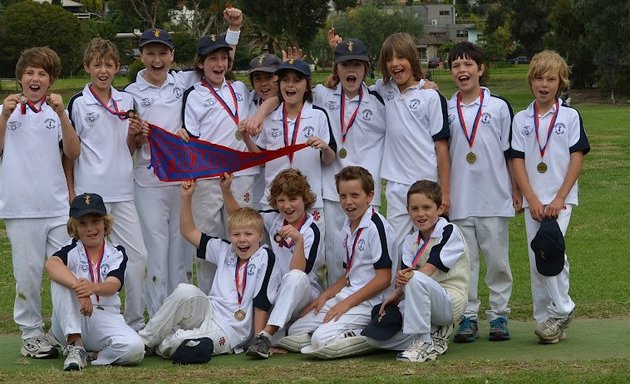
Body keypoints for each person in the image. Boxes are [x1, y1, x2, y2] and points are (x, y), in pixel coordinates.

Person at [123, 8, 243, 317]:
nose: (157, 60)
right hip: (149, 182)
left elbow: (220, 58)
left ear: (173, 55)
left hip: (183, 182)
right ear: (142, 56)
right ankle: (156, 316)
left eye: (163, 53)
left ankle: (181, 315)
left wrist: (233, 28)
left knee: (181, 251)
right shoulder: (131, 93)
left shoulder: (183, 81)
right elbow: (130, 142)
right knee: (155, 251)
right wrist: (139, 135)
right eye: (150, 53)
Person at [138, 180, 280, 358]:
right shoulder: (224, 249)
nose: (242, 240)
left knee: (179, 343)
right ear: (229, 235)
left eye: (248, 234)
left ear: (260, 236)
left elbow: (262, 302)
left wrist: (259, 340)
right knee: (185, 290)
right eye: (236, 234)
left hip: (232, 330)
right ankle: (142, 342)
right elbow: (188, 231)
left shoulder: (265, 257)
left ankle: (165, 342)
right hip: (209, 310)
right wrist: (186, 197)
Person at [0, 47, 80, 359]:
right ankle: (31, 333)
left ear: (51, 80)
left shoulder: (56, 112)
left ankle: (63, 331)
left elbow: (73, 153)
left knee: (63, 270)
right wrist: (5, 116)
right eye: (30, 73)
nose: (35, 78)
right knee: (28, 274)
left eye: (42, 74)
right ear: (20, 78)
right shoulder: (4, 111)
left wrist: (62, 114)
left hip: (57, 206)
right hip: (20, 207)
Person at [66, 38, 148, 331]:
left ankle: (136, 323)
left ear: (117, 68)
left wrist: (136, 136)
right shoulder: (77, 102)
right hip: (91, 195)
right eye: (97, 65)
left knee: (138, 257)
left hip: (124, 191)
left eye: (109, 65)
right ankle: (90, 323)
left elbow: (128, 147)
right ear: (87, 67)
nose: (103, 71)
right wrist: (71, 191)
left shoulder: (127, 100)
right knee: (88, 260)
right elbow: (69, 151)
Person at [510, 50, 589, 344]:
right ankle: (545, 319)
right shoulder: (521, 119)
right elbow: (517, 160)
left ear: (561, 82)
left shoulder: (569, 116)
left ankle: (562, 309)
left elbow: (577, 157)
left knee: (550, 250)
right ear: (531, 80)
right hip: (535, 201)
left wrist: (559, 197)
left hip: (560, 199)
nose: (544, 84)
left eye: (551, 79)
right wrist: (530, 197)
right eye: (539, 78)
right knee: (537, 257)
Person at [277, 166, 396, 359]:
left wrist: (345, 304)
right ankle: (331, 333)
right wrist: (323, 297)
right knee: (296, 330)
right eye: (343, 196)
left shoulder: (376, 226)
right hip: (350, 294)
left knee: (320, 339)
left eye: (355, 195)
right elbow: (349, 275)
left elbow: (383, 279)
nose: (348, 202)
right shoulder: (347, 227)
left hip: (372, 301)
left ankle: (371, 335)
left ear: (370, 196)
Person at [446, 42, 519, 343]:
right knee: (466, 263)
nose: (462, 71)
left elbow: (511, 152)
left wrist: (516, 191)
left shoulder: (498, 106)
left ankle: (499, 314)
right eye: (456, 66)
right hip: (460, 199)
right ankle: (468, 316)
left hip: (494, 197)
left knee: (498, 260)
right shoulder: (445, 107)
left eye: (468, 65)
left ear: (481, 69)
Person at [220, 169, 323, 359]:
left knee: (294, 277)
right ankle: (263, 336)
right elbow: (241, 217)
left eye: (293, 199)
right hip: (277, 293)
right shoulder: (273, 219)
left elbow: (299, 272)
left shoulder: (311, 231)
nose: (287, 206)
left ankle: (265, 336)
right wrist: (226, 190)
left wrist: (299, 241)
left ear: (305, 199)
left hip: (303, 296)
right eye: (281, 200)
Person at [180, 30, 254, 294]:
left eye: (223, 58)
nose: (219, 65)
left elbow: (271, 98)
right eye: (212, 59)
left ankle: (240, 298)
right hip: (209, 180)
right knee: (208, 245)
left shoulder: (241, 89)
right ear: (201, 63)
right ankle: (209, 302)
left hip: (240, 176)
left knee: (244, 238)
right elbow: (193, 139)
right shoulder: (194, 95)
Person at [364, 180, 469, 363]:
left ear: (440, 208)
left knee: (414, 278)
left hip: (450, 301)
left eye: (427, 207)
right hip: (421, 296)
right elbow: (407, 279)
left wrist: (404, 282)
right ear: (408, 210)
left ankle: (424, 342)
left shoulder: (449, 231)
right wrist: (394, 296)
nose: (420, 214)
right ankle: (435, 335)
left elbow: (427, 270)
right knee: (375, 341)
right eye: (414, 209)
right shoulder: (410, 240)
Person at [316, 33, 387, 288]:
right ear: (336, 68)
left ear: (366, 68)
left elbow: (406, 92)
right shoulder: (323, 95)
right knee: (333, 255)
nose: (351, 70)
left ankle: (364, 305)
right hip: (332, 190)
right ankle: (332, 306)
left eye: (357, 64)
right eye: (345, 65)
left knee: (366, 255)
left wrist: (425, 84)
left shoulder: (380, 100)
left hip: (366, 193)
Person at [241, 58, 336, 250]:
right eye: (285, 80)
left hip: (310, 201)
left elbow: (330, 159)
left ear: (307, 85)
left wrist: (325, 147)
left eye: (297, 80)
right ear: (279, 85)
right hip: (274, 202)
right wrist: (247, 139)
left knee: (312, 264)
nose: (290, 85)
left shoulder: (318, 115)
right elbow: (261, 161)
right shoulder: (269, 117)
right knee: (276, 262)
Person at [45, 193, 144, 371]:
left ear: (105, 224)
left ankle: (92, 355)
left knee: (135, 348)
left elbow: (113, 285)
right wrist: (80, 290)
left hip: (104, 317)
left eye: (95, 221)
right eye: (83, 223)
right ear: (74, 227)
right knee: (60, 279)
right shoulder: (71, 249)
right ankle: (74, 344)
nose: (90, 229)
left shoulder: (117, 252)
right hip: (72, 318)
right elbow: (51, 265)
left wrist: (93, 288)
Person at [373, 32, 450, 253]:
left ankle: (428, 287)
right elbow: (353, 85)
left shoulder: (429, 96)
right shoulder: (383, 89)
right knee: (395, 246)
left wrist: (445, 192)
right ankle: (396, 289)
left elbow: (442, 148)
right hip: (396, 185)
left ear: (412, 60)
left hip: (426, 182)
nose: (394, 64)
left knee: (429, 247)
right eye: (389, 60)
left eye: (400, 58)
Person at [244, 52, 281, 211]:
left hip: (280, 192)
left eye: (269, 77)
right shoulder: (248, 99)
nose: (263, 83)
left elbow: (278, 98)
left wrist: (261, 113)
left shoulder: (290, 104)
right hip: (250, 187)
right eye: (258, 78)